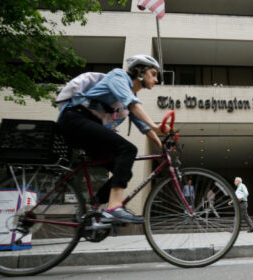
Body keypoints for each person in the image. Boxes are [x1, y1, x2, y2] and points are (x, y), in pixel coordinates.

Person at [57, 55, 169, 224]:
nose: (156, 79)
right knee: (128, 149)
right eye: (153, 74)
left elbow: (144, 128)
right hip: (75, 119)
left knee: (123, 170)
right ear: (140, 71)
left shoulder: (129, 94)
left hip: (88, 126)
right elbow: (133, 105)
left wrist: (162, 145)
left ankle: (91, 209)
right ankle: (114, 207)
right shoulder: (118, 76)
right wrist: (155, 125)